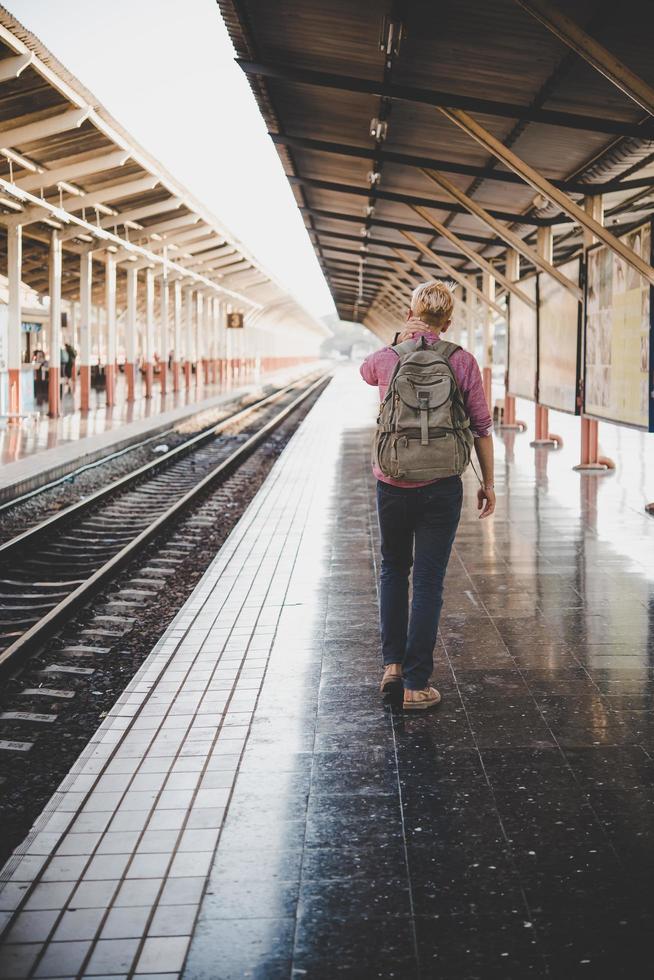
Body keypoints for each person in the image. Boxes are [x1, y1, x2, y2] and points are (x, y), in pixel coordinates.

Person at [360, 281, 495, 710]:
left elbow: (364, 372)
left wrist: (396, 342)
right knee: (429, 580)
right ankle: (417, 685)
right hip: (442, 485)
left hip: (392, 480)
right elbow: (481, 427)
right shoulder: (462, 360)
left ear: (409, 314)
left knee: (394, 569)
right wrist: (489, 484)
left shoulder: (387, 358)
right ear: (449, 322)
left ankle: (392, 667)